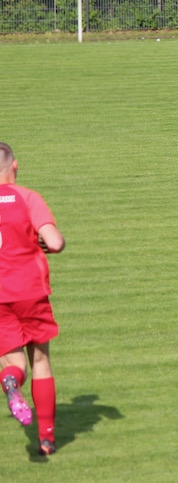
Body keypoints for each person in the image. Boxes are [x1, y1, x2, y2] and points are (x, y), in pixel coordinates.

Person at [0, 142, 65, 455]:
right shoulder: (28, 198)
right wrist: (45, 243)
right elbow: (55, 241)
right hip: (30, 290)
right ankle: (46, 439)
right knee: (40, 359)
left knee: (14, 362)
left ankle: (11, 382)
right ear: (15, 165)